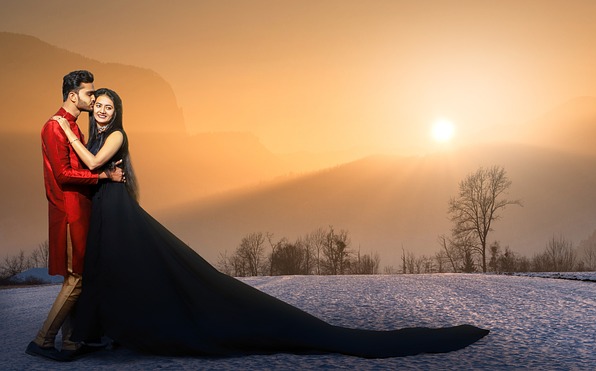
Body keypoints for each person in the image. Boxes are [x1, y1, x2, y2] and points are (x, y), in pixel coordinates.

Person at [55, 88, 489, 359]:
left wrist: (65, 128)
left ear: (118, 111)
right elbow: (94, 171)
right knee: (110, 272)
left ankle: (99, 333)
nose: (104, 112)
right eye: (100, 106)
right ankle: (100, 332)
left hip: (118, 212)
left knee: (159, 272)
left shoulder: (111, 137)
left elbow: (92, 162)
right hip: (107, 211)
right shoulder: (96, 131)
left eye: (109, 107)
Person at [26, 71, 124, 362]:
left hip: (80, 209)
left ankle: (70, 342)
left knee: (79, 277)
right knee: (75, 279)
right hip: (70, 211)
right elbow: (63, 174)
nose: (93, 99)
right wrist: (104, 176)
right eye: (89, 94)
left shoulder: (72, 126)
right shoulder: (55, 127)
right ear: (73, 96)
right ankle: (43, 340)